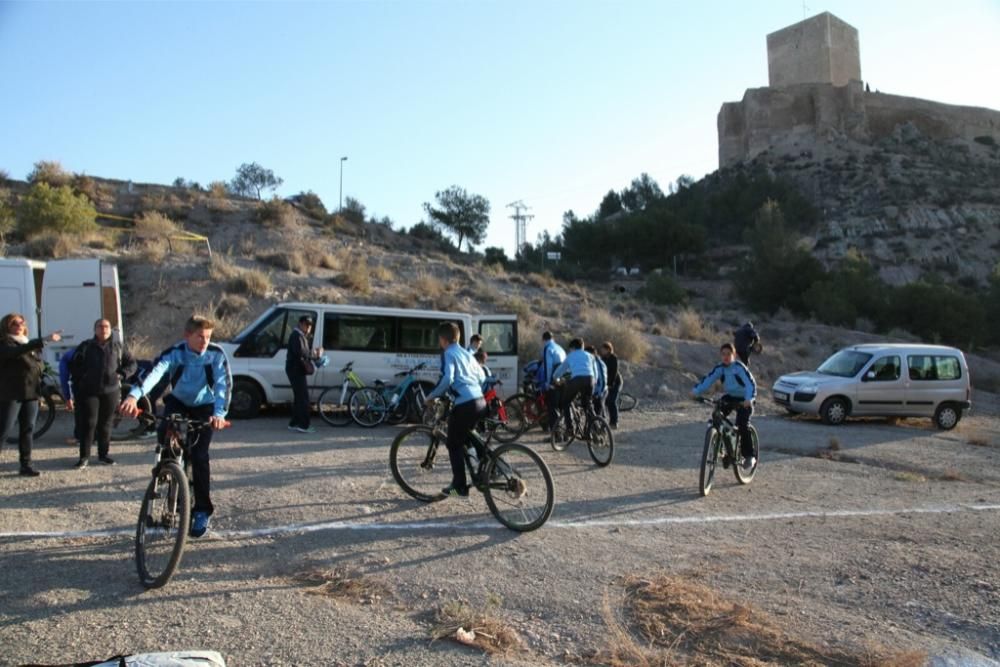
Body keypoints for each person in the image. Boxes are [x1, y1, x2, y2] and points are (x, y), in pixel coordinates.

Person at [119, 315, 232, 538]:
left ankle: (201, 510)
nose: (205, 341)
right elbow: (153, 374)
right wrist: (133, 397)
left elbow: (223, 385)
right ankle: (167, 472)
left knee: (200, 457)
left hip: (205, 407)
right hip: (178, 401)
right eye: (200, 336)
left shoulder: (216, 355)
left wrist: (219, 414)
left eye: (208, 337)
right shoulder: (175, 353)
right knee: (166, 434)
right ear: (187, 335)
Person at [425, 322, 486, 498]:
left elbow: (447, 379)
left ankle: (459, 487)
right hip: (480, 401)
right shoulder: (467, 354)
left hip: (466, 404)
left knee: (453, 443)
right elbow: (481, 377)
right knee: (468, 435)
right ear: (458, 338)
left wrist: (431, 396)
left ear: (442, 340)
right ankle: (488, 466)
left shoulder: (448, 353)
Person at [68, 319, 137, 468]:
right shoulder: (86, 346)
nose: (103, 329)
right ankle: (84, 457)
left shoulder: (118, 347)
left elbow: (132, 364)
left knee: (106, 424)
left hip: (110, 391)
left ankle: (103, 455)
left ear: (110, 330)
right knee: (89, 423)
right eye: (100, 326)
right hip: (89, 392)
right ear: (95, 330)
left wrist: (122, 374)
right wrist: (83, 378)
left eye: (106, 326)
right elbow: (73, 365)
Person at [0, 313, 61, 476]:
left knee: (28, 429)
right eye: (15, 323)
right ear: (7, 326)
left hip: (31, 393)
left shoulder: (27, 344)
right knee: (4, 429)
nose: (20, 325)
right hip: (11, 393)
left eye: (22, 323)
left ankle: (25, 464)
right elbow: (15, 353)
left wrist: (40, 369)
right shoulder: (5, 343)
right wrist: (43, 340)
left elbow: (37, 364)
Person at [691, 342, 757, 468]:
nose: (726, 357)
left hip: (744, 399)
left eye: (729, 354)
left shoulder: (739, 368)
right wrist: (695, 392)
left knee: (742, 425)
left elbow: (750, 384)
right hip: (731, 397)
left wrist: (749, 399)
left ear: (734, 355)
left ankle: (749, 456)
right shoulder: (720, 368)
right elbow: (708, 380)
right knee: (716, 416)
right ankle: (722, 449)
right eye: (723, 354)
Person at [552, 338, 596, 436]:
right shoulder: (590, 356)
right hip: (590, 380)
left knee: (565, 402)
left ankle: (570, 428)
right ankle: (592, 430)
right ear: (582, 346)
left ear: (572, 348)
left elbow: (561, 370)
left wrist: (555, 378)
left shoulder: (570, 356)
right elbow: (595, 372)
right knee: (587, 405)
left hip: (577, 380)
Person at [285, 315, 320, 434]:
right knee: (303, 399)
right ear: (300, 323)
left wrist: (313, 354)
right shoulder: (296, 336)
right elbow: (301, 353)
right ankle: (304, 426)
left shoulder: (300, 335)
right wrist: (315, 356)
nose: (309, 327)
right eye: (306, 324)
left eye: (310, 325)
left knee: (299, 398)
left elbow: (304, 352)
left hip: (296, 369)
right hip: (296, 370)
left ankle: (294, 423)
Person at [538, 331, 566, 430]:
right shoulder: (560, 348)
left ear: (544, 340)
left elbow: (548, 367)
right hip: (564, 379)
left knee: (552, 406)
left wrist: (547, 383)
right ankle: (563, 432)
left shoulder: (548, 348)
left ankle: (555, 433)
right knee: (561, 406)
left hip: (554, 380)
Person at [599, 341, 623, 429]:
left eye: (603, 349)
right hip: (606, 383)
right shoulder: (602, 358)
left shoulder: (613, 358)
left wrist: (610, 384)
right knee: (603, 402)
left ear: (608, 349)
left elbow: (614, 372)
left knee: (611, 401)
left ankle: (614, 422)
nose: (602, 351)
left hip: (615, 382)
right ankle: (603, 422)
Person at [585, 345, 608, 418]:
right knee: (589, 412)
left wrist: (599, 394)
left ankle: (599, 427)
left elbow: (603, 381)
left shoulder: (599, 363)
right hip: (592, 390)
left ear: (593, 354)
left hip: (601, 391)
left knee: (598, 412)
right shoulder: (588, 362)